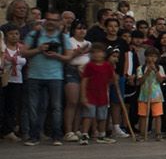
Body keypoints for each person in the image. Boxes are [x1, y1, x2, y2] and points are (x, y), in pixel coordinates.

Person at [20, 10, 68, 146]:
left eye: (54, 20)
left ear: (59, 22)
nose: (51, 22)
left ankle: (56, 135)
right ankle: (33, 135)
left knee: (56, 107)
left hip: (55, 76)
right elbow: (23, 52)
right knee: (33, 106)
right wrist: (39, 49)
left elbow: (69, 57)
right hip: (35, 75)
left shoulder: (62, 38)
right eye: (49, 19)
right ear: (45, 20)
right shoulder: (34, 35)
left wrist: (56, 56)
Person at [78, 44, 116, 144]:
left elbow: (111, 79)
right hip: (90, 94)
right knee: (88, 115)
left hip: (102, 94)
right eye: (94, 52)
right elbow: (84, 80)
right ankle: (84, 135)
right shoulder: (89, 66)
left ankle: (101, 135)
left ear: (104, 54)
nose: (96, 55)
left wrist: (114, 78)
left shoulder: (107, 65)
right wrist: (83, 96)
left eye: (99, 52)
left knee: (102, 116)